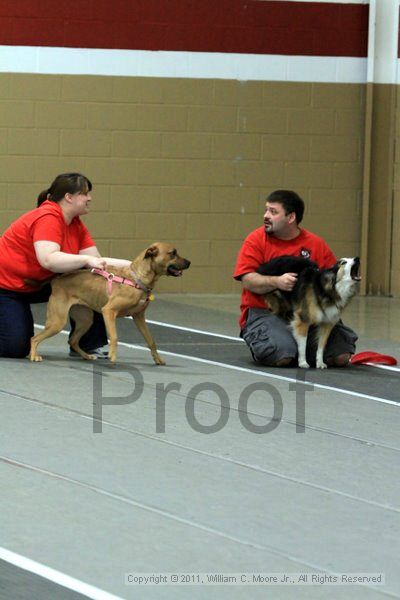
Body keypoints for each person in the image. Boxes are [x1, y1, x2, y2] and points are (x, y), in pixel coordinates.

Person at [0, 172, 131, 359]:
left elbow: (97, 260)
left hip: (39, 284)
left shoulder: (74, 223)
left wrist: (134, 269)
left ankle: (87, 344)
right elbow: (49, 260)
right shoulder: (47, 217)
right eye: (85, 194)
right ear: (69, 197)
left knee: (94, 284)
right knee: (15, 348)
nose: (89, 198)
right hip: (6, 288)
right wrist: (85, 261)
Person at [233, 190, 357, 367]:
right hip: (265, 312)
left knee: (341, 356)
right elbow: (248, 280)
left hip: (310, 313)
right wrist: (276, 282)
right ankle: (286, 343)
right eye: (266, 210)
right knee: (282, 355)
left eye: (273, 212)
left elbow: (332, 281)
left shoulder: (316, 244)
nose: (266, 216)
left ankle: (304, 344)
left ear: (291, 217)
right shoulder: (256, 240)